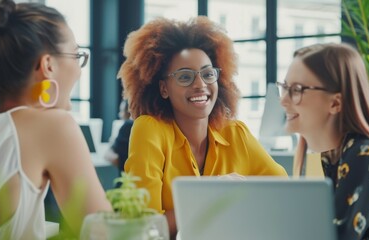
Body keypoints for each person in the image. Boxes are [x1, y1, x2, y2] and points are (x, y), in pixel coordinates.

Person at [118, 16, 288, 239]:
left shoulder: (236, 133)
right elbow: (143, 229)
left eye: (208, 74)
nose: (200, 85)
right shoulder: (149, 130)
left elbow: (284, 196)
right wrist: (210, 194)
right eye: (185, 77)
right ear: (163, 88)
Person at [0, 0, 111, 239]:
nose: (79, 70)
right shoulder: (53, 126)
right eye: (77, 56)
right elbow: (107, 234)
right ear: (47, 65)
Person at [278, 43, 369, 240]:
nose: (283, 100)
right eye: (284, 87)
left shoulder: (366, 155)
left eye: (297, 89)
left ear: (335, 103)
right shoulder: (334, 157)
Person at [104, 99, 134, 176]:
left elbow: (116, 159)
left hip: (128, 183)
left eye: (122, 111)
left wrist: (112, 144)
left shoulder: (128, 126)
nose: (120, 115)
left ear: (129, 111)